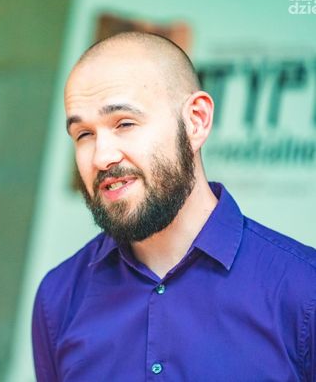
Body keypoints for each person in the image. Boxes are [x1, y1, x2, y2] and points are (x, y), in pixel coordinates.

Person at [31, 31, 316, 381]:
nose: (102, 157)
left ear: (196, 121)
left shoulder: (304, 289)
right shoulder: (58, 297)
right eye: (84, 134)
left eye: (124, 123)